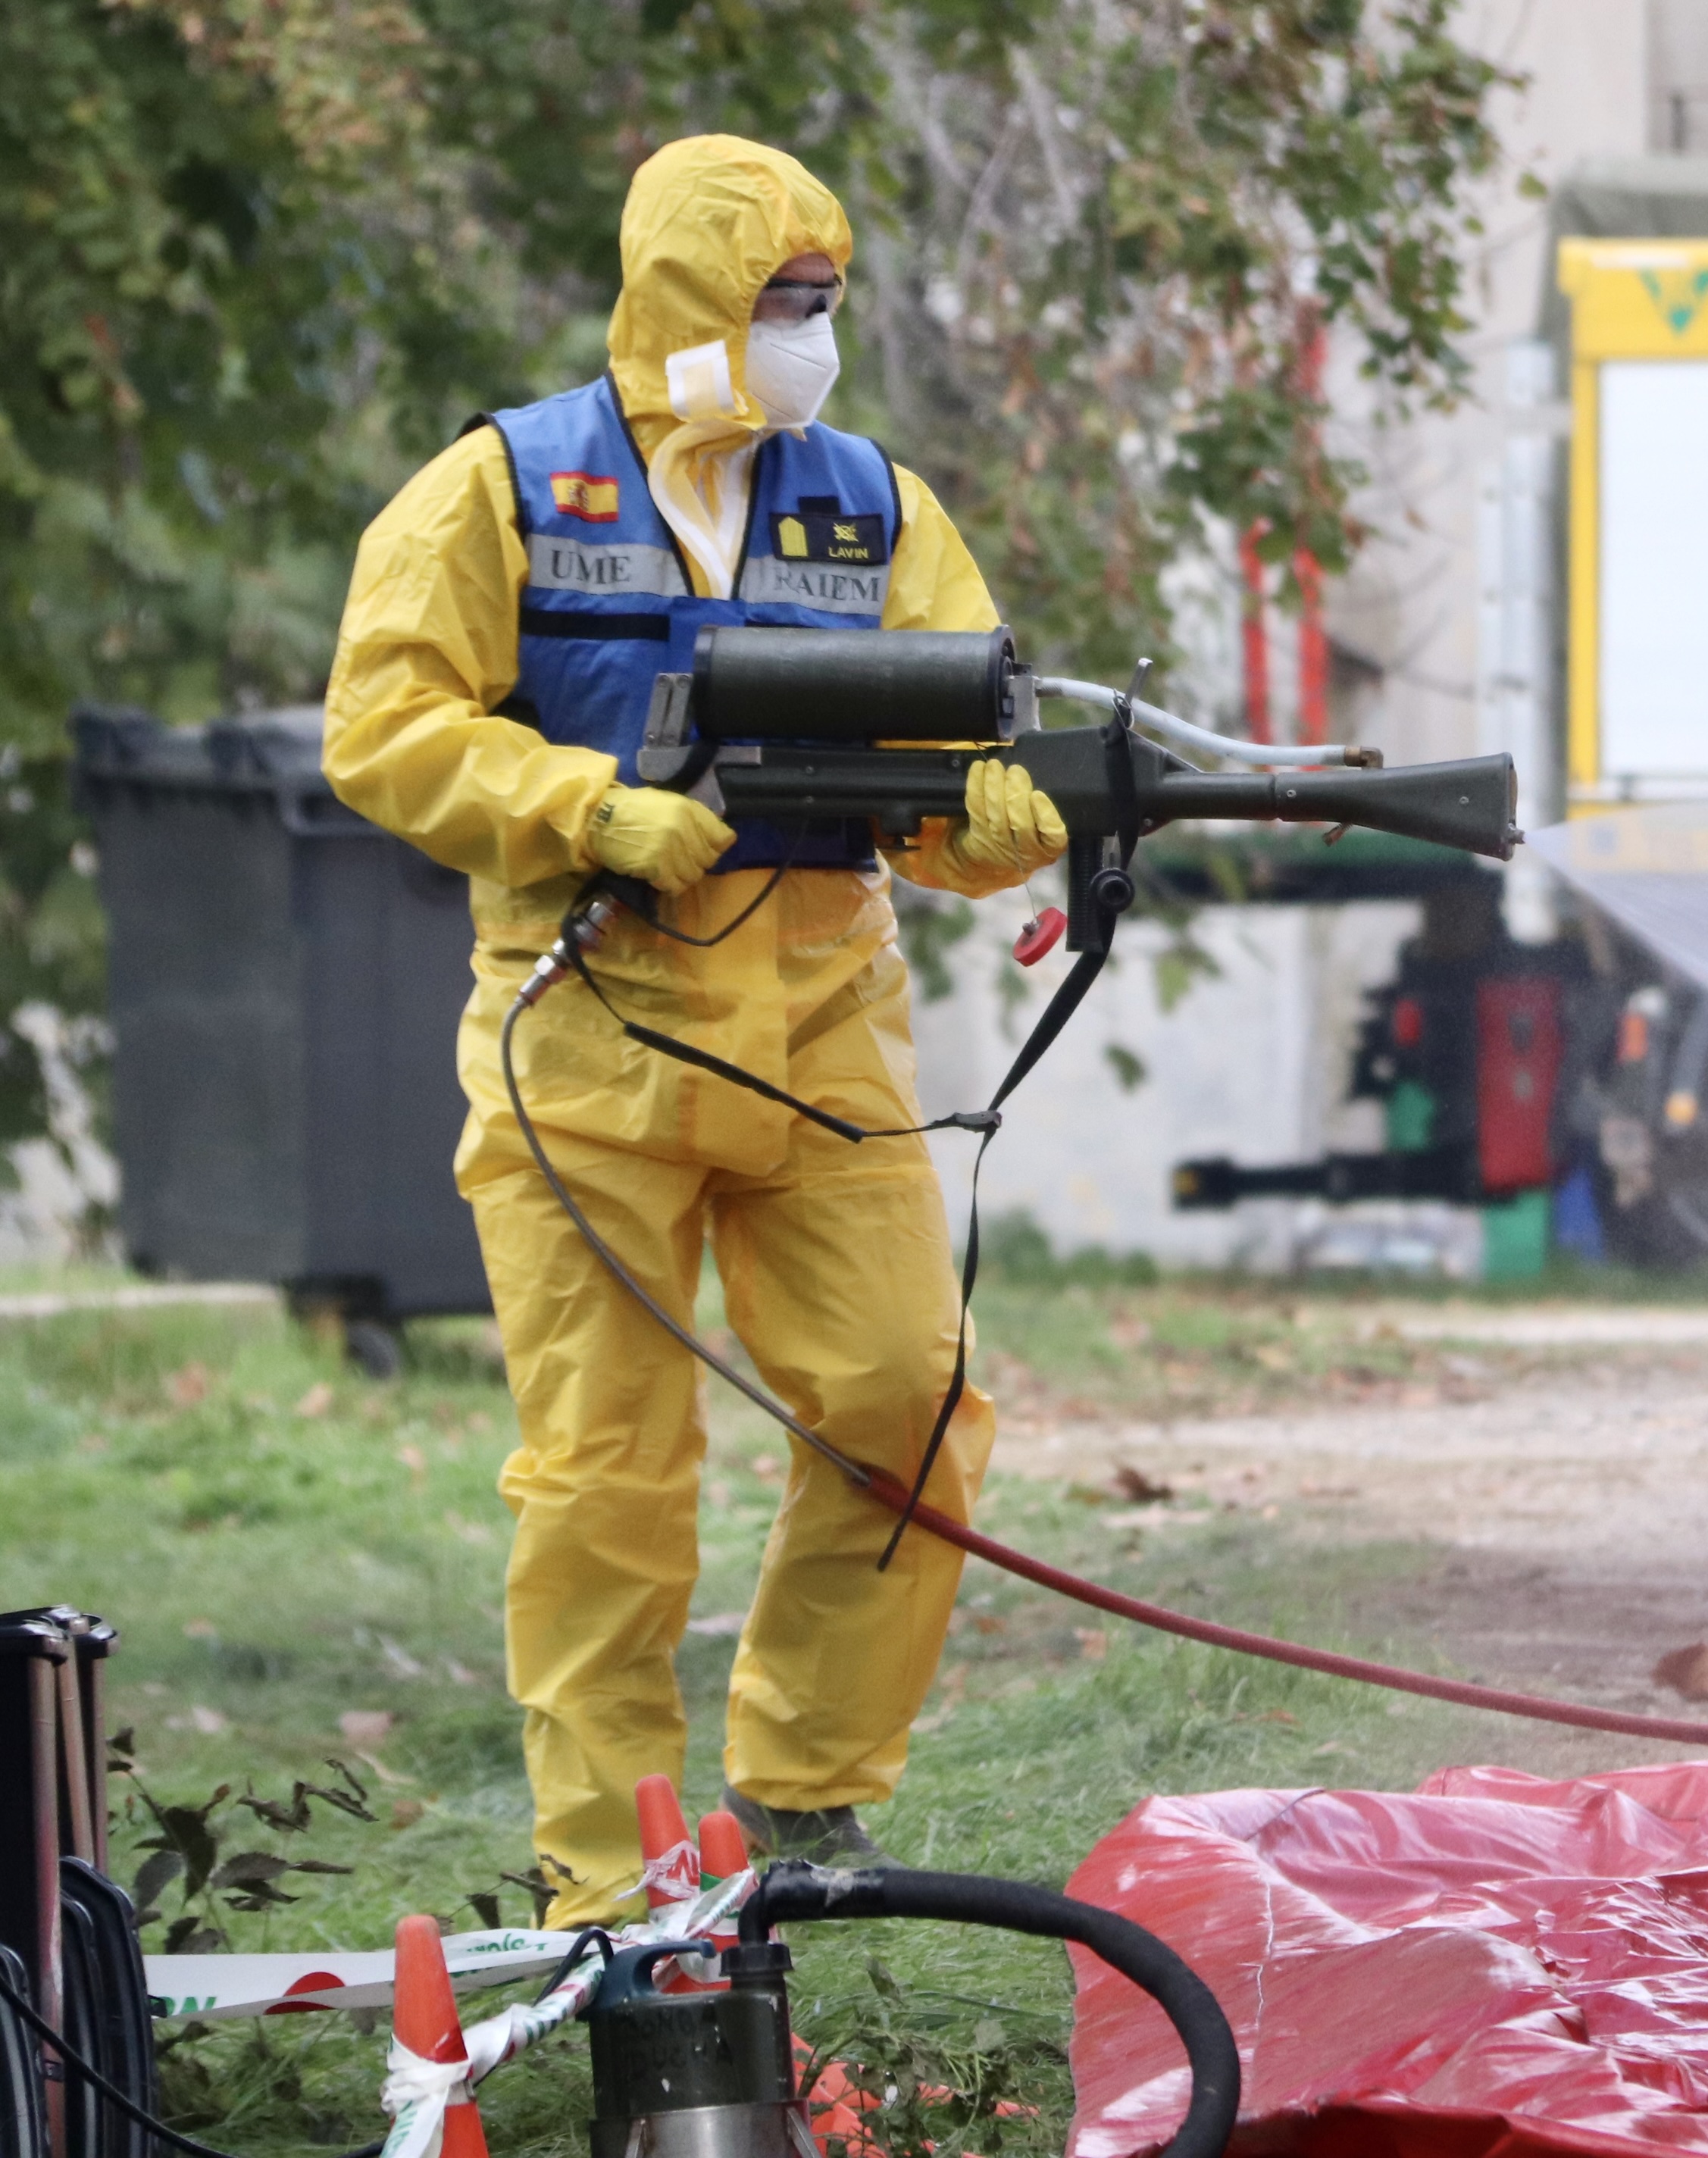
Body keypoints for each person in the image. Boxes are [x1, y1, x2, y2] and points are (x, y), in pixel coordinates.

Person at [323, 136, 1062, 1922]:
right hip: (592, 1034)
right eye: (778, 305)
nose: (810, 338)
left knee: (911, 1395)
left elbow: (959, 756)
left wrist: (1007, 822)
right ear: (688, 301)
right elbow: (383, 723)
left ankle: (806, 1788)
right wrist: (579, 802)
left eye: (823, 306)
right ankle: (612, 1858)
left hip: (825, 1024)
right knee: (608, 1472)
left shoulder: (875, 504)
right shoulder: (499, 487)